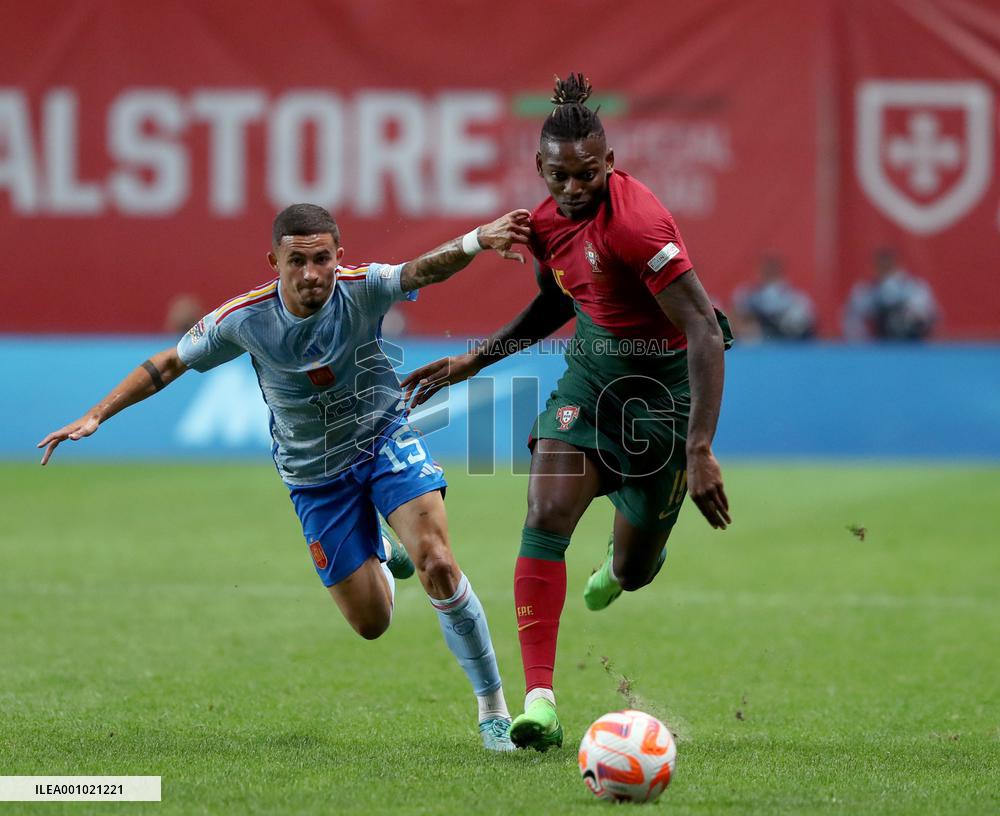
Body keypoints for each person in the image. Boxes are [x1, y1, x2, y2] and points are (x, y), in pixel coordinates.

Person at [37, 203, 532, 751]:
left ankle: (493, 709)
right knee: (372, 624)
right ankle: (380, 554)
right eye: (297, 261)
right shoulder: (245, 318)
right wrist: (97, 414)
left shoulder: (360, 287)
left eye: (322, 259)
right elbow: (171, 362)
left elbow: (420, 270)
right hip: (314, 476)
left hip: (383, 438)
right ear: (274, 261)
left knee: (438, 561)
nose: (312, 273)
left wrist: (478, 239)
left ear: (338, 257)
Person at [402, 74, 733, 751]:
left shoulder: (640, 225)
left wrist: (699, 449)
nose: (574, 188)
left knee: (634, 569)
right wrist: (474, 360)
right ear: (540, 169)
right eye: (561, 175)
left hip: (661, 399)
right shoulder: (545, 224)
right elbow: (558, 300)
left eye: (587, 174)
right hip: (590, 381)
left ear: (609, 165)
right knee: (545, 513)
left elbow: (703, 327)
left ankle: (622, 567)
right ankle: (541, 703)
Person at [842, 248, 938, 340]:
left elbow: (931, 317)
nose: (886, 271)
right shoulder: (866, 291)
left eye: (889, 266)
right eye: (882, 267)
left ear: (898, 266)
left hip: (913, 344)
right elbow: (852, 320)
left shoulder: (916, 288)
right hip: (880, 345)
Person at [731, 255, 815, 341]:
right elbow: (738, 316)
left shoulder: (798, 299)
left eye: (772, 272)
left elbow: (805, 324)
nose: (769, 276)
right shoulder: (748, 294)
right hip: (760, 339)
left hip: (790, 339)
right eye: (766, 272)